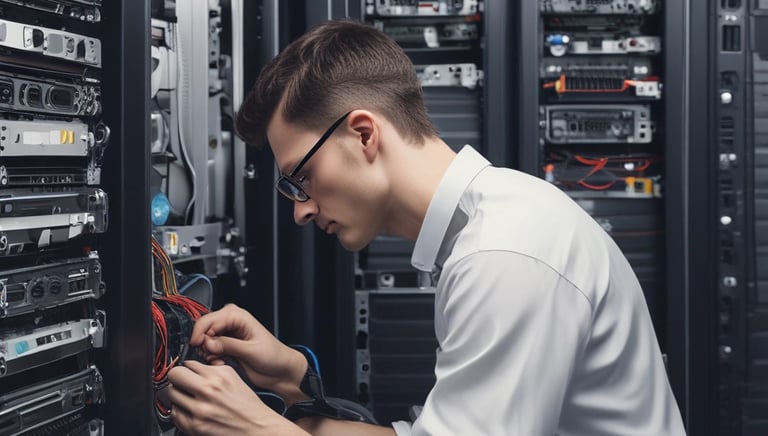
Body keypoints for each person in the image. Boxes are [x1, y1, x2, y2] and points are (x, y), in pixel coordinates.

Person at [167, 19, 687, 436]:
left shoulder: (504, 254)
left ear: (364, 134)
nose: (301, 210)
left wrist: (259, 429)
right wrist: (294, 382)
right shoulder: (492, 226)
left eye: (302, 177)